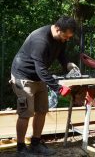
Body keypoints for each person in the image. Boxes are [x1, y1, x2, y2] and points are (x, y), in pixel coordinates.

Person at [10, 16, 79, 156]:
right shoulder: (40, 40)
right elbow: (40, 69)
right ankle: (21, 148)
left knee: (42, 110)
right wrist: (58, 88)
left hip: (39, 77)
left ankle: (35, 143)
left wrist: (67, 64)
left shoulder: (61, 38)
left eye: (69, 37)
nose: (67, 39)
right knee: (25, 113)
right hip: (23, 77)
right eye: (66, 36)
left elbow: (61, 54)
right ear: (58, 29)